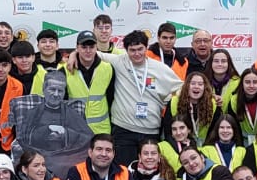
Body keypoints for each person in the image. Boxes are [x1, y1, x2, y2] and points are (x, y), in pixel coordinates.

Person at [98, 30, 183, 162]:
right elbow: (93, 54)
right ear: (126, 50)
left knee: (150, 171)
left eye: (140, 49)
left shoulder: (160, 68)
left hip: (150, 131)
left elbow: (183, 87)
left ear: (146, 47)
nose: (137, 54)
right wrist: (74, 54)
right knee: (123, 173)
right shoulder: (119, 62)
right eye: (132, 50)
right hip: (123, 131)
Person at [9, 70, 93, 179]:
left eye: (60, 91)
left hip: (66, 155)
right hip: (40, 154)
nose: (56, 94)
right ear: (44, 89)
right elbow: (23, 138)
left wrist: (65, 133)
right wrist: (46, 130)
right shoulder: (33, 113)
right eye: (52, 89)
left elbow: (88, 138)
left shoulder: (71, 112)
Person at [64, 30, 115, 135]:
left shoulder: (108, 68)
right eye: (84, 47)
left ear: (96, 47)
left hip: (101, 131)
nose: (88, 50)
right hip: (75, 131)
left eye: (91, 47)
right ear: (77, 48)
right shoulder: (64, 70)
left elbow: (112, 99)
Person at [224, 67, 257, 144]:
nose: (251, 86)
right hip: (242, 141)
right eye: (247, 82)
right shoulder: (234, 101)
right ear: (242, 84)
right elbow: (232, 126)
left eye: (255, 82)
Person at [165, 69, 216, 144]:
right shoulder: (174, 102)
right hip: (178, 144)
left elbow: (214, 131)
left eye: (200, 84)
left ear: (205, 88)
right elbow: (168, 130)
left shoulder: (212, 104)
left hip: (205, 146)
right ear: (186, 86)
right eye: (193, 83)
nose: (196, 86)